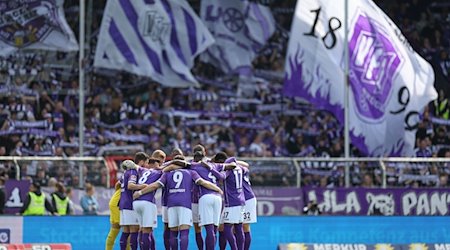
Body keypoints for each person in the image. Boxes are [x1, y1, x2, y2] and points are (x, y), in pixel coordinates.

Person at [133, 163, 223, 250]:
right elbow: (203, 182)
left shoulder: (167, 174)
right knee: (184, 232)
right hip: (185, 204)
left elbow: (156, 185)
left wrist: (140, 192)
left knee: (173, 232)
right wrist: (217, 188)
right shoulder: (191, 172)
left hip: (171, 204)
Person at [132, 151, 164, 250]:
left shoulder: (143, 171)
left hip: (136, 202)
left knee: (142, 229)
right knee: (147, 230)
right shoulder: (159, 172)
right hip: (147, 202)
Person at [119, 152, 149, 250]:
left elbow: (119, 184)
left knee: (126, 231)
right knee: (134, 230)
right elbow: (130, 185)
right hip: (129, 203)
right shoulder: (133, 171)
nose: (147, 165)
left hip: (123, 203)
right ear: (141, 162)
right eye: (146, 163)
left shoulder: (125, 172)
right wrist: (143, 186)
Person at [215, 155, 245, 250]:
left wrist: (211, 169)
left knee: (226, 227)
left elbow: (221, 177)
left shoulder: (229, 170)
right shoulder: (240, 168)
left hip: (232, 202)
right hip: (241, 200)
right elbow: (246, 167)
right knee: (238, 227)